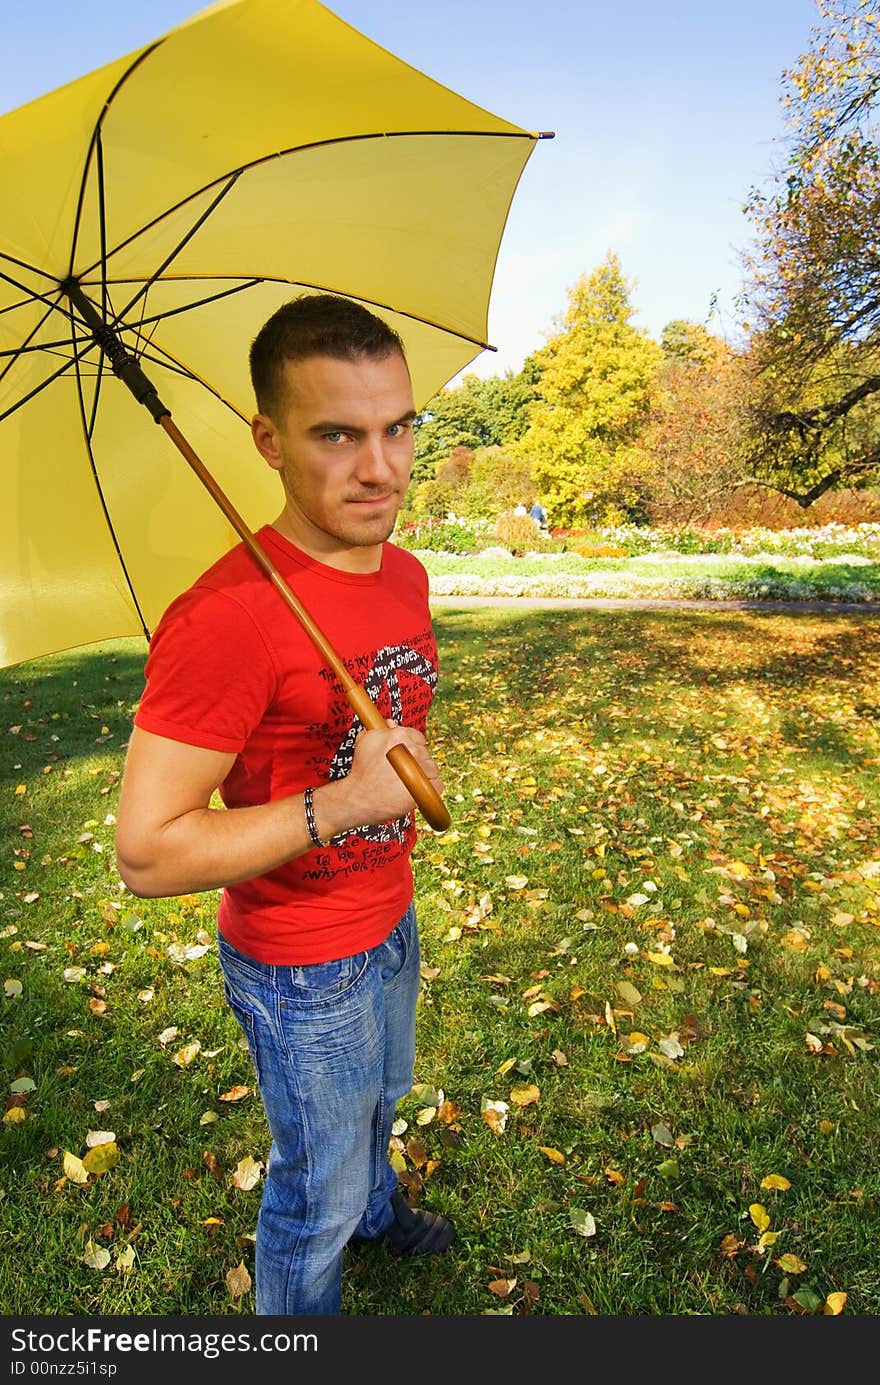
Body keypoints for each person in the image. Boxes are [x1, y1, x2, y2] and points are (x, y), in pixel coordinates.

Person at [114, 293, 455, 1316]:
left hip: (387, 917)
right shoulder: (222, 619)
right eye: (336, 434)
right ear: (267, 439)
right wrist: (340, 804)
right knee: (314, 1192)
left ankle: (379, 1207)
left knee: (382, 1103)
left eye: (397, 427)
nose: (379, 466)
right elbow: (147, 851)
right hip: (302, 967)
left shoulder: (404, 572)